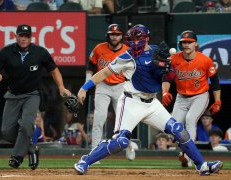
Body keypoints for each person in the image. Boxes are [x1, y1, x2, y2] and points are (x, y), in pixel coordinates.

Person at [73, 24, 223, 176]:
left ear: (146, 39)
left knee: (179, 131)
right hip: (131, 102)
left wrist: (167, 72)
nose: (135, 42)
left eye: (139, 38)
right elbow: (104, 73)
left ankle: (202, 165)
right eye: (132, 39)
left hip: (152, 103)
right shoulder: (126, 56)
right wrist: (84, 88)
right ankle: (85, 160)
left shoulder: (155, 51)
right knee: (121, 142)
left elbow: (167, 76)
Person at [0, 23, 71, 170]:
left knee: (27, 124)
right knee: (7, 132)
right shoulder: (5, 52)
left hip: (32, 94)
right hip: (13, 95)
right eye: (21, 36)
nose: (23, 39)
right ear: (16, 36)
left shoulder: (40, 52)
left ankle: (16, 157)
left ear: (31, 38)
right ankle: (31, 148)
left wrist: (61, 87)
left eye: (26, 36)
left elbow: (54, 70)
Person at [162, 30, 221, 167]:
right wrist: (165, 92)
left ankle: (189, 155)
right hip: (181, 97)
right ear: (180, 44)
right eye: (184, 42)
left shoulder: (205, 60)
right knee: (173, 126)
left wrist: (217, 100)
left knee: (190, 119)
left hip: (200, 96)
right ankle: (183, 150)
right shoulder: (174, 59)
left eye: (189, 42)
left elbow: (215, 81)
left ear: (196, 44)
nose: (186, 44)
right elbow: (166, 77)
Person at [86, 23, 128, 152]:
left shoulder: (127, 50)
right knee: (99, 118)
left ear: (121, 36)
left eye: (117, 34)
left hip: (120, 86)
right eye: (112, 34)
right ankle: (94, 150)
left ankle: (127, 147)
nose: (114, 37)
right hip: (102, 85)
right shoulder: (99, 48)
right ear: (107, 36)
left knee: (124, 119)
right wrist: (86, 84)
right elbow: (90, 67)